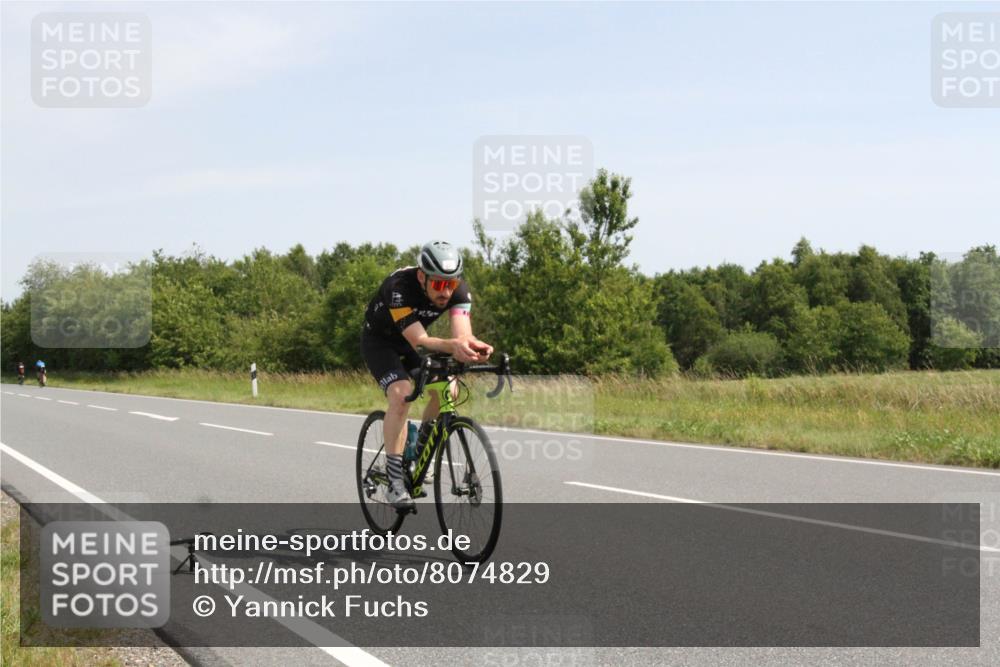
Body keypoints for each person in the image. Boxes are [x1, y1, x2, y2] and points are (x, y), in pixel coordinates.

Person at [361, 240, 493, 509]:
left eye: (451, 284)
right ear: (422, 276)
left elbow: (462, 334)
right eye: (439, 284)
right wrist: (453, 347)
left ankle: (422, 451)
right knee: (401, 395)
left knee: (449, 389)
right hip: (381, 343)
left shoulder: (458, 291)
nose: (446, 292)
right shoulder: (398, 287)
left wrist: (474, 346)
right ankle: (395, 480)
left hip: (412, 344)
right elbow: (420, 340)